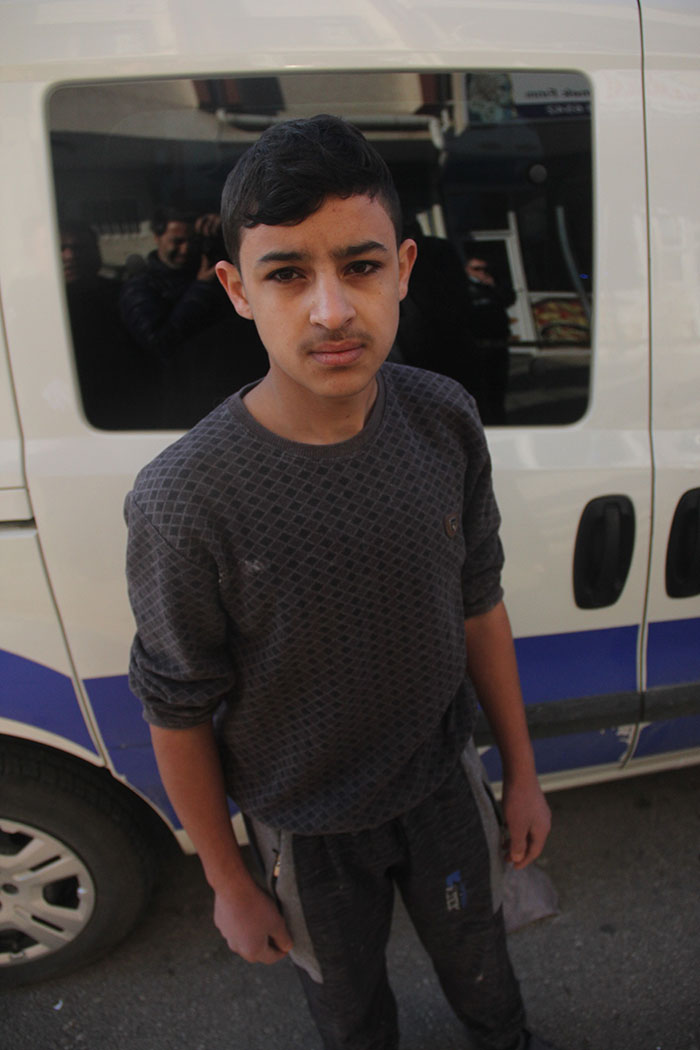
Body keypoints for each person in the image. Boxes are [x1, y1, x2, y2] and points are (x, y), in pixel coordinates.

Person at [124, 115, 558, 1050]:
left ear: (402, 268)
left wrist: (521, 775)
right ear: (237, 290)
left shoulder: (443, 419)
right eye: (287, 274)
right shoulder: (185, 498)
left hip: (445, 788)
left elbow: (478, 602)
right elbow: (177, 708)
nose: (331, 310)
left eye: (360, 266)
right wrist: (228, 882)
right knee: (350, 1015)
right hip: (305, 832)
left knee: (486, 973)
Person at [464, 253, 516, 425]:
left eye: (485, 269)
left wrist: (493, 286)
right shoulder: (464, 287)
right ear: (468, 270)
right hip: (478, 345)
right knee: (481, 389)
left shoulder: (494, 285)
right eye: (477, 269)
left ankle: (499, 418)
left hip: (498, 343)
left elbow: (509, 299)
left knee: (498, 387)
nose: (482, 272)